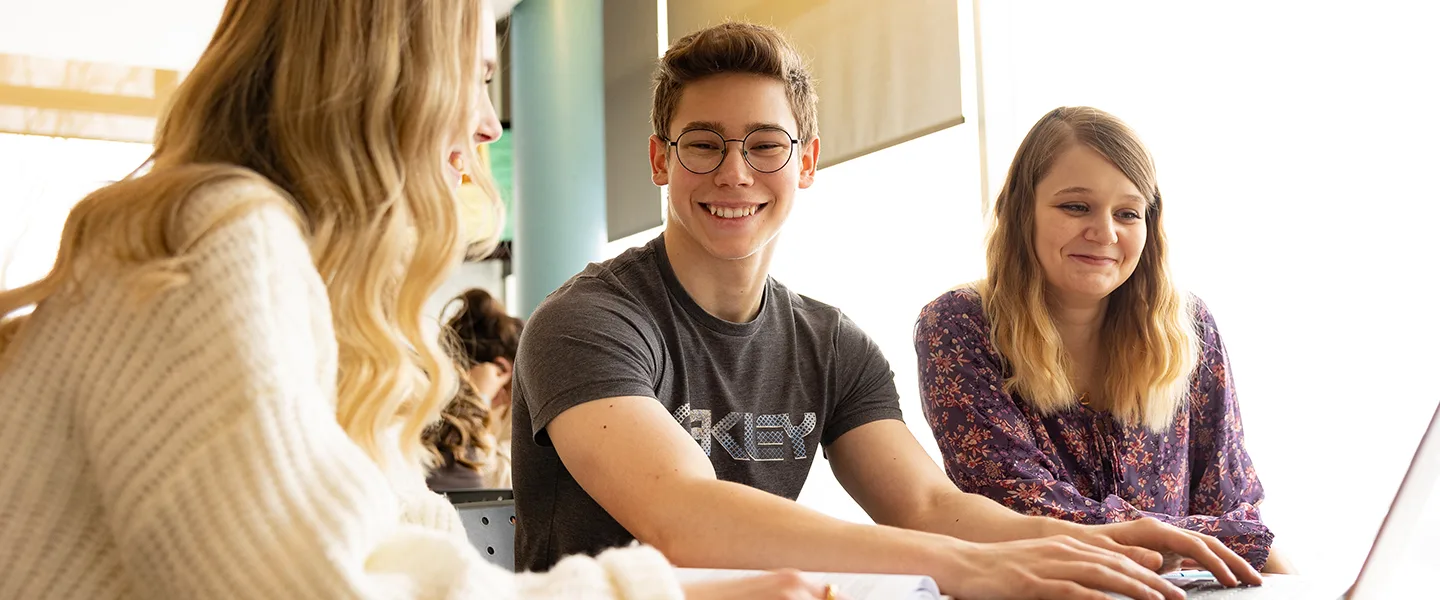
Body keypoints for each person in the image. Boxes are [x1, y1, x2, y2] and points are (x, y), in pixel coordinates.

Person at [0, 0, 826, 598]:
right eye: (476, 77)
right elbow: (322, 589)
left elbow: (413, 557)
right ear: (387, 79)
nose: (489, 126)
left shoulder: (299, 283)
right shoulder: (221, 236)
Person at [511, 22, 1264, 600]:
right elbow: (681, 517)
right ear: (659, 162)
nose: (735, 173)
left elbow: (929, 503)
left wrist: (1079, 544)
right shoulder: (586, 322)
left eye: (766, 145)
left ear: (806, 163)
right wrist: (962, 564)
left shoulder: (833, 344)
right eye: (703, 144)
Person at [914, 106, 1292, 574]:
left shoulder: (1188, 326)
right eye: (1076, 206)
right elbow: (1021, 508)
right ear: (1021, 211)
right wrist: (1227, 540)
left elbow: (1233, 508)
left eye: (1128, 213)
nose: (1105, 232)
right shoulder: (960, 325)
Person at [426, 288, 522, 491]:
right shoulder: (435, 413)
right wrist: (479, 400)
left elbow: (507, 479)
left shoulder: (517, 411)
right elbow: (478, 473)